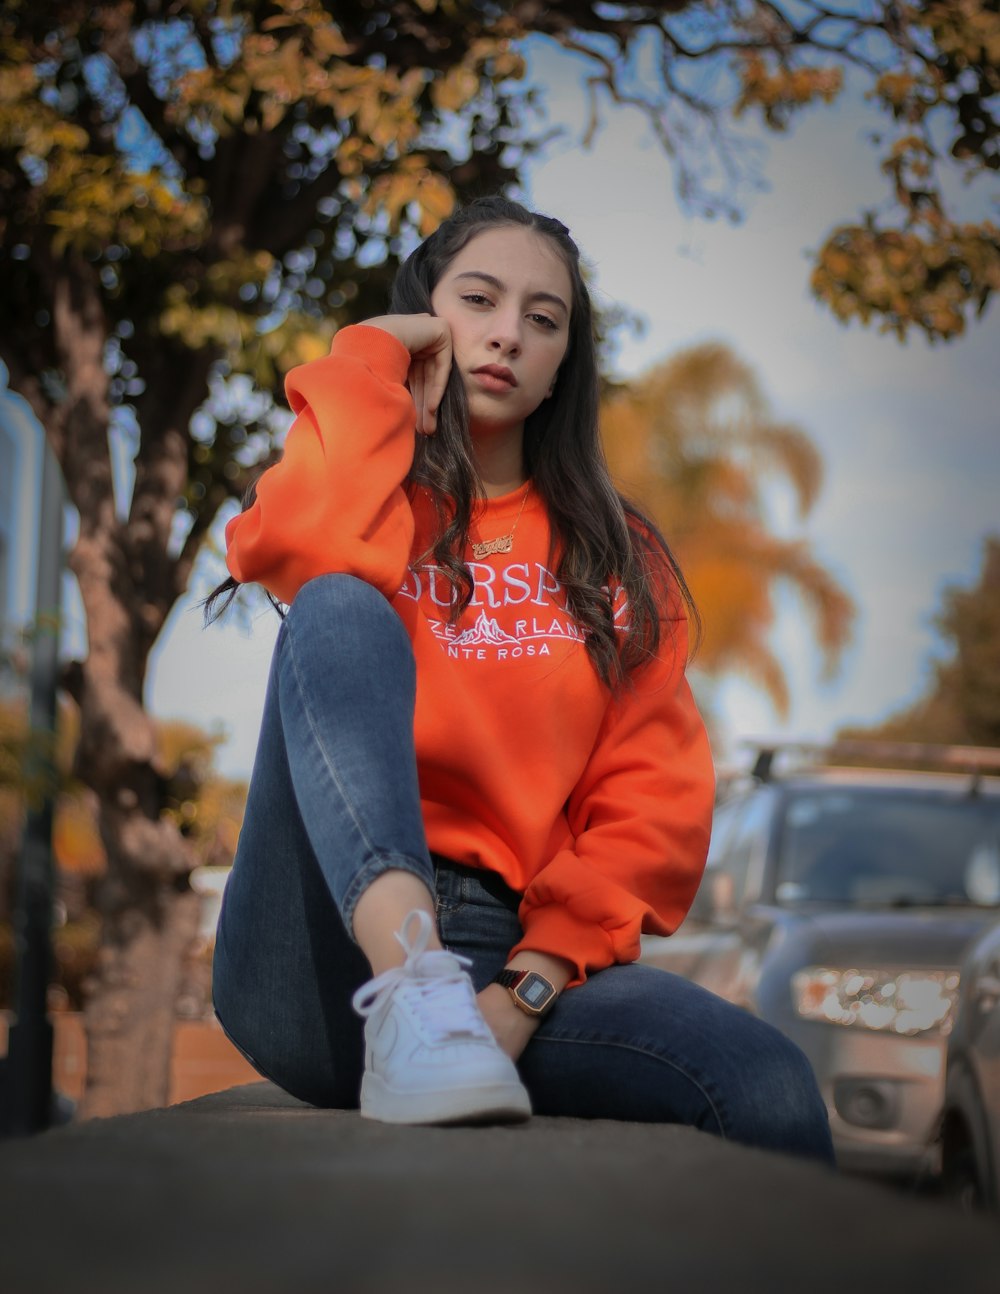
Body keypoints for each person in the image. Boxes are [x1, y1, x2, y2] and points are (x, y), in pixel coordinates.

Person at [206, 196, 834, 1161]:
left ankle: (444, 1023)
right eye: (478, 301)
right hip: (323, 955)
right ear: (429, 320)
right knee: (338, 607)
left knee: (764, 1082)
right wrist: (374, 356)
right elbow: (299, 547)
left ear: (558, 371)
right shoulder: (371, 501)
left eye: (543, 321)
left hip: (508, 957)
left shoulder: (615, 557)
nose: (508, 334)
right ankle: (410, 991)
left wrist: (524, 992)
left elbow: (650, 804)